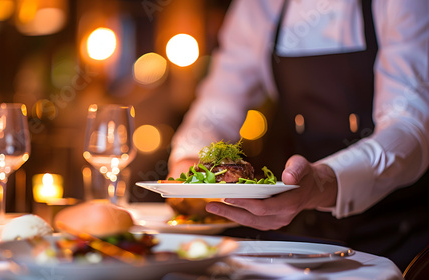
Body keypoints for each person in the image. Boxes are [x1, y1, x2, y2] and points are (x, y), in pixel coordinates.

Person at [167, 0, 429, 270]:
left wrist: (326, 180)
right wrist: (190, 159)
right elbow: (218, 105)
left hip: (401, 235)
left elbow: (409, 126)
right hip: (305, 239)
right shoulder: (259, 5)